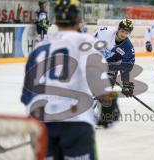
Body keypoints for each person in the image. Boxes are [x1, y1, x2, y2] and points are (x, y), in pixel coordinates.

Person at [21, 0, 115, 159]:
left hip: (43, 124)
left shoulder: (39, 47)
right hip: (76, 123)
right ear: (78, 19)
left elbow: (27, 95)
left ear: (56, 20)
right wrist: (109, 108)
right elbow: (99, 84)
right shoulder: (86, 42)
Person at [93, 19, 135, 128]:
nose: (124, 34)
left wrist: (126, 84)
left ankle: (109, 114)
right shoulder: (105, 32)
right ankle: (90, 115)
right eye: (122, 31)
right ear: (118, 29)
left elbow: (126, 67)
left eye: (127, 33)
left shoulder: (128, 48)